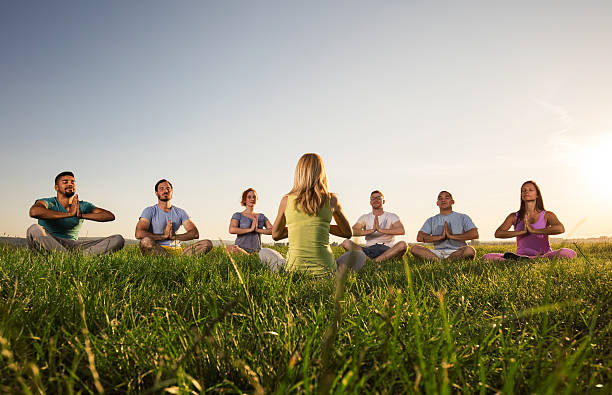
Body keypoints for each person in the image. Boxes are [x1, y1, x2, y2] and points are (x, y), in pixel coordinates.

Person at [271, 153, 359, 276]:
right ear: (321, 172)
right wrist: (320, 227)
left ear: (299, 173)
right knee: (359, 255)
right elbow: (347, 233)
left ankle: (282, 270)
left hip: (293, 271)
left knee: (265, 252)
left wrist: (298, 228)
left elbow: (275, 235)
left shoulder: (286, 200)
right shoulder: (331, 199)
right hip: (327, 271)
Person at [27, 171, 124, 255]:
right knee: (34, 229)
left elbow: (109, 216)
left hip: (74, 245)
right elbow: (34, 212)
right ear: (56, 187)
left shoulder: (82, 205)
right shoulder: (48, 202)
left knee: (118, 239)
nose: (70, 184)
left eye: (72, 182)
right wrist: (69, 214)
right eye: (65, 182)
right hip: (50, 242)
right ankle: (67, 259)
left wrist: (81, 215)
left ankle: (72, 258)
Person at [482, 181, 577, 261]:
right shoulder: (514, 216)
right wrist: (521, 232)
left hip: (544, 255)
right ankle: (520, 259)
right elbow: (498, 233)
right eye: (523, 190)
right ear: (521, 195)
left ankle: (524, 260)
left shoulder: (547, 215)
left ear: (537, 195)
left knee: (569, 253)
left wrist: (534, 231)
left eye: (530, 190)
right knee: (486, 257)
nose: (526, 192)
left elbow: (560, 229)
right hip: (520, 255)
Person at [135, 179, 212, 256]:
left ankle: (176, 260)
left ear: (171, 192)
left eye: (168, 189)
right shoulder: (149, 211)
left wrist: (174, 237)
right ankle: (170, 261)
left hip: (178, 251)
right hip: (157, 250)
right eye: (161, 189)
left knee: (207, 243)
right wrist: (163, 236)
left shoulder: (180, 212)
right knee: (145, 241)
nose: (165, 191)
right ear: (156, 193)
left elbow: (194, 233)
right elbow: (139, 234)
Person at [227, 188, 286, 271]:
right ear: (244, 199)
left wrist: (258, 230)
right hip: (240, 249)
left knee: (266, 253)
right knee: (230, 248)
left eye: (254, 197)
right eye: (249, 197)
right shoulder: (238, 215)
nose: (252, 199)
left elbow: (272, 230)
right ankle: (248, 257)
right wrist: (250, 229)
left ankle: (253, 258)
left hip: (257, 251)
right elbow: (232, 229)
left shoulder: (261, 216)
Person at [340, 190, 407, 263]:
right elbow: (352, 231)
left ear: (383, 201)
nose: (376, 200)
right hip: (369, 250)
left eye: (378, 198)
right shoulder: (365, 217)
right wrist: (371, 230)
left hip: (388, 250)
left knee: (403, 244)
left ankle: (374, 261)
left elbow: (401, 230)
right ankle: (371, 260)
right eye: (373, 198)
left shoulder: (392, 216)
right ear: (370, 202)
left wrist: (380, 230)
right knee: (346, 243)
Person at [410, 191, 478, 261]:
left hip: (457, 251)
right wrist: (440, 237)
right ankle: (439, 261)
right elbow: (420, 237)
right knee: (415, 248)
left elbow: (475, 234)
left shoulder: (463, 217)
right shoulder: (431, 220)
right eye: (440, 198)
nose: (443, 200)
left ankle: (446, 260)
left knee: (469, 251)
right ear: (437, 203)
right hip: (437, 252)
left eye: (447, 198)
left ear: (452, 202)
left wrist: (451, 236)